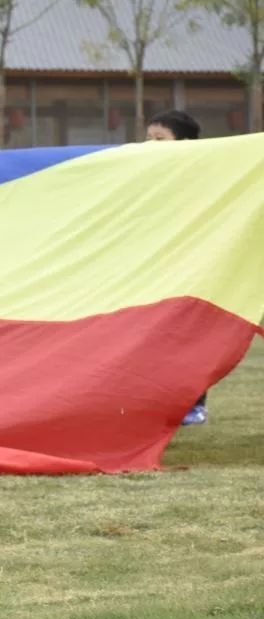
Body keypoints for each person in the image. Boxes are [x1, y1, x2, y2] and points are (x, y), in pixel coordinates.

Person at [145, 109, 208, 425]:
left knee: (189, 340)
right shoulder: (144, 177)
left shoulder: (202, 179)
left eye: (160, 139)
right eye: (148, 138)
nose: (151, 145)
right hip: (158, 272)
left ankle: (194, 404)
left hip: (193, 273)